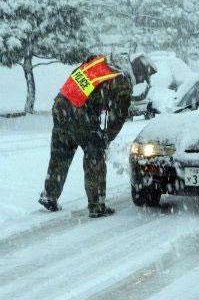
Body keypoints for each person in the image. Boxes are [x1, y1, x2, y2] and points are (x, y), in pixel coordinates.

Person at [38, 52, 133, 218]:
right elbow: (119, 115)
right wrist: (106, 138)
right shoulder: (121, 79)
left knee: (60, 154)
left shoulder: (95, 64)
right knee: (94, 157)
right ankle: (96, 205)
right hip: (81, 114)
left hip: (61, 107)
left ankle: (49, 196)